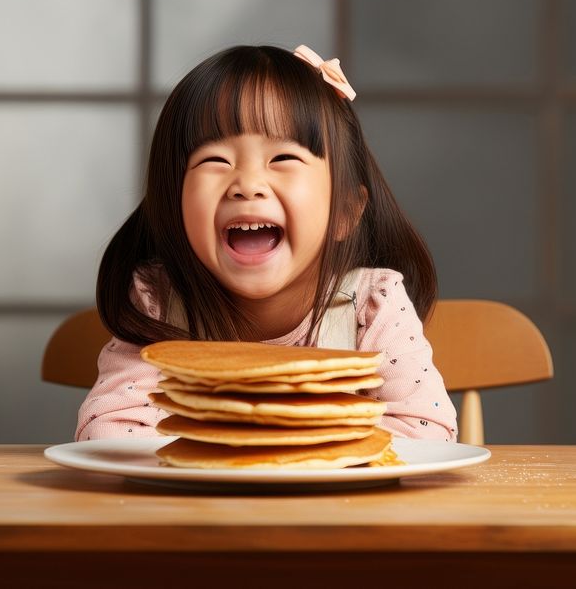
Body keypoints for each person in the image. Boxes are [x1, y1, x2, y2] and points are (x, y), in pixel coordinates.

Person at [75, 44, 457, 442]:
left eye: (283, 159)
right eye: (215, 161)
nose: (247, 185)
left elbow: (426, 432)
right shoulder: (159, 302)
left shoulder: (372, 303)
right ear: (175, 206)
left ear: (344, 210)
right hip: (197, 506)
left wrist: (280, 451)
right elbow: (109, 433)